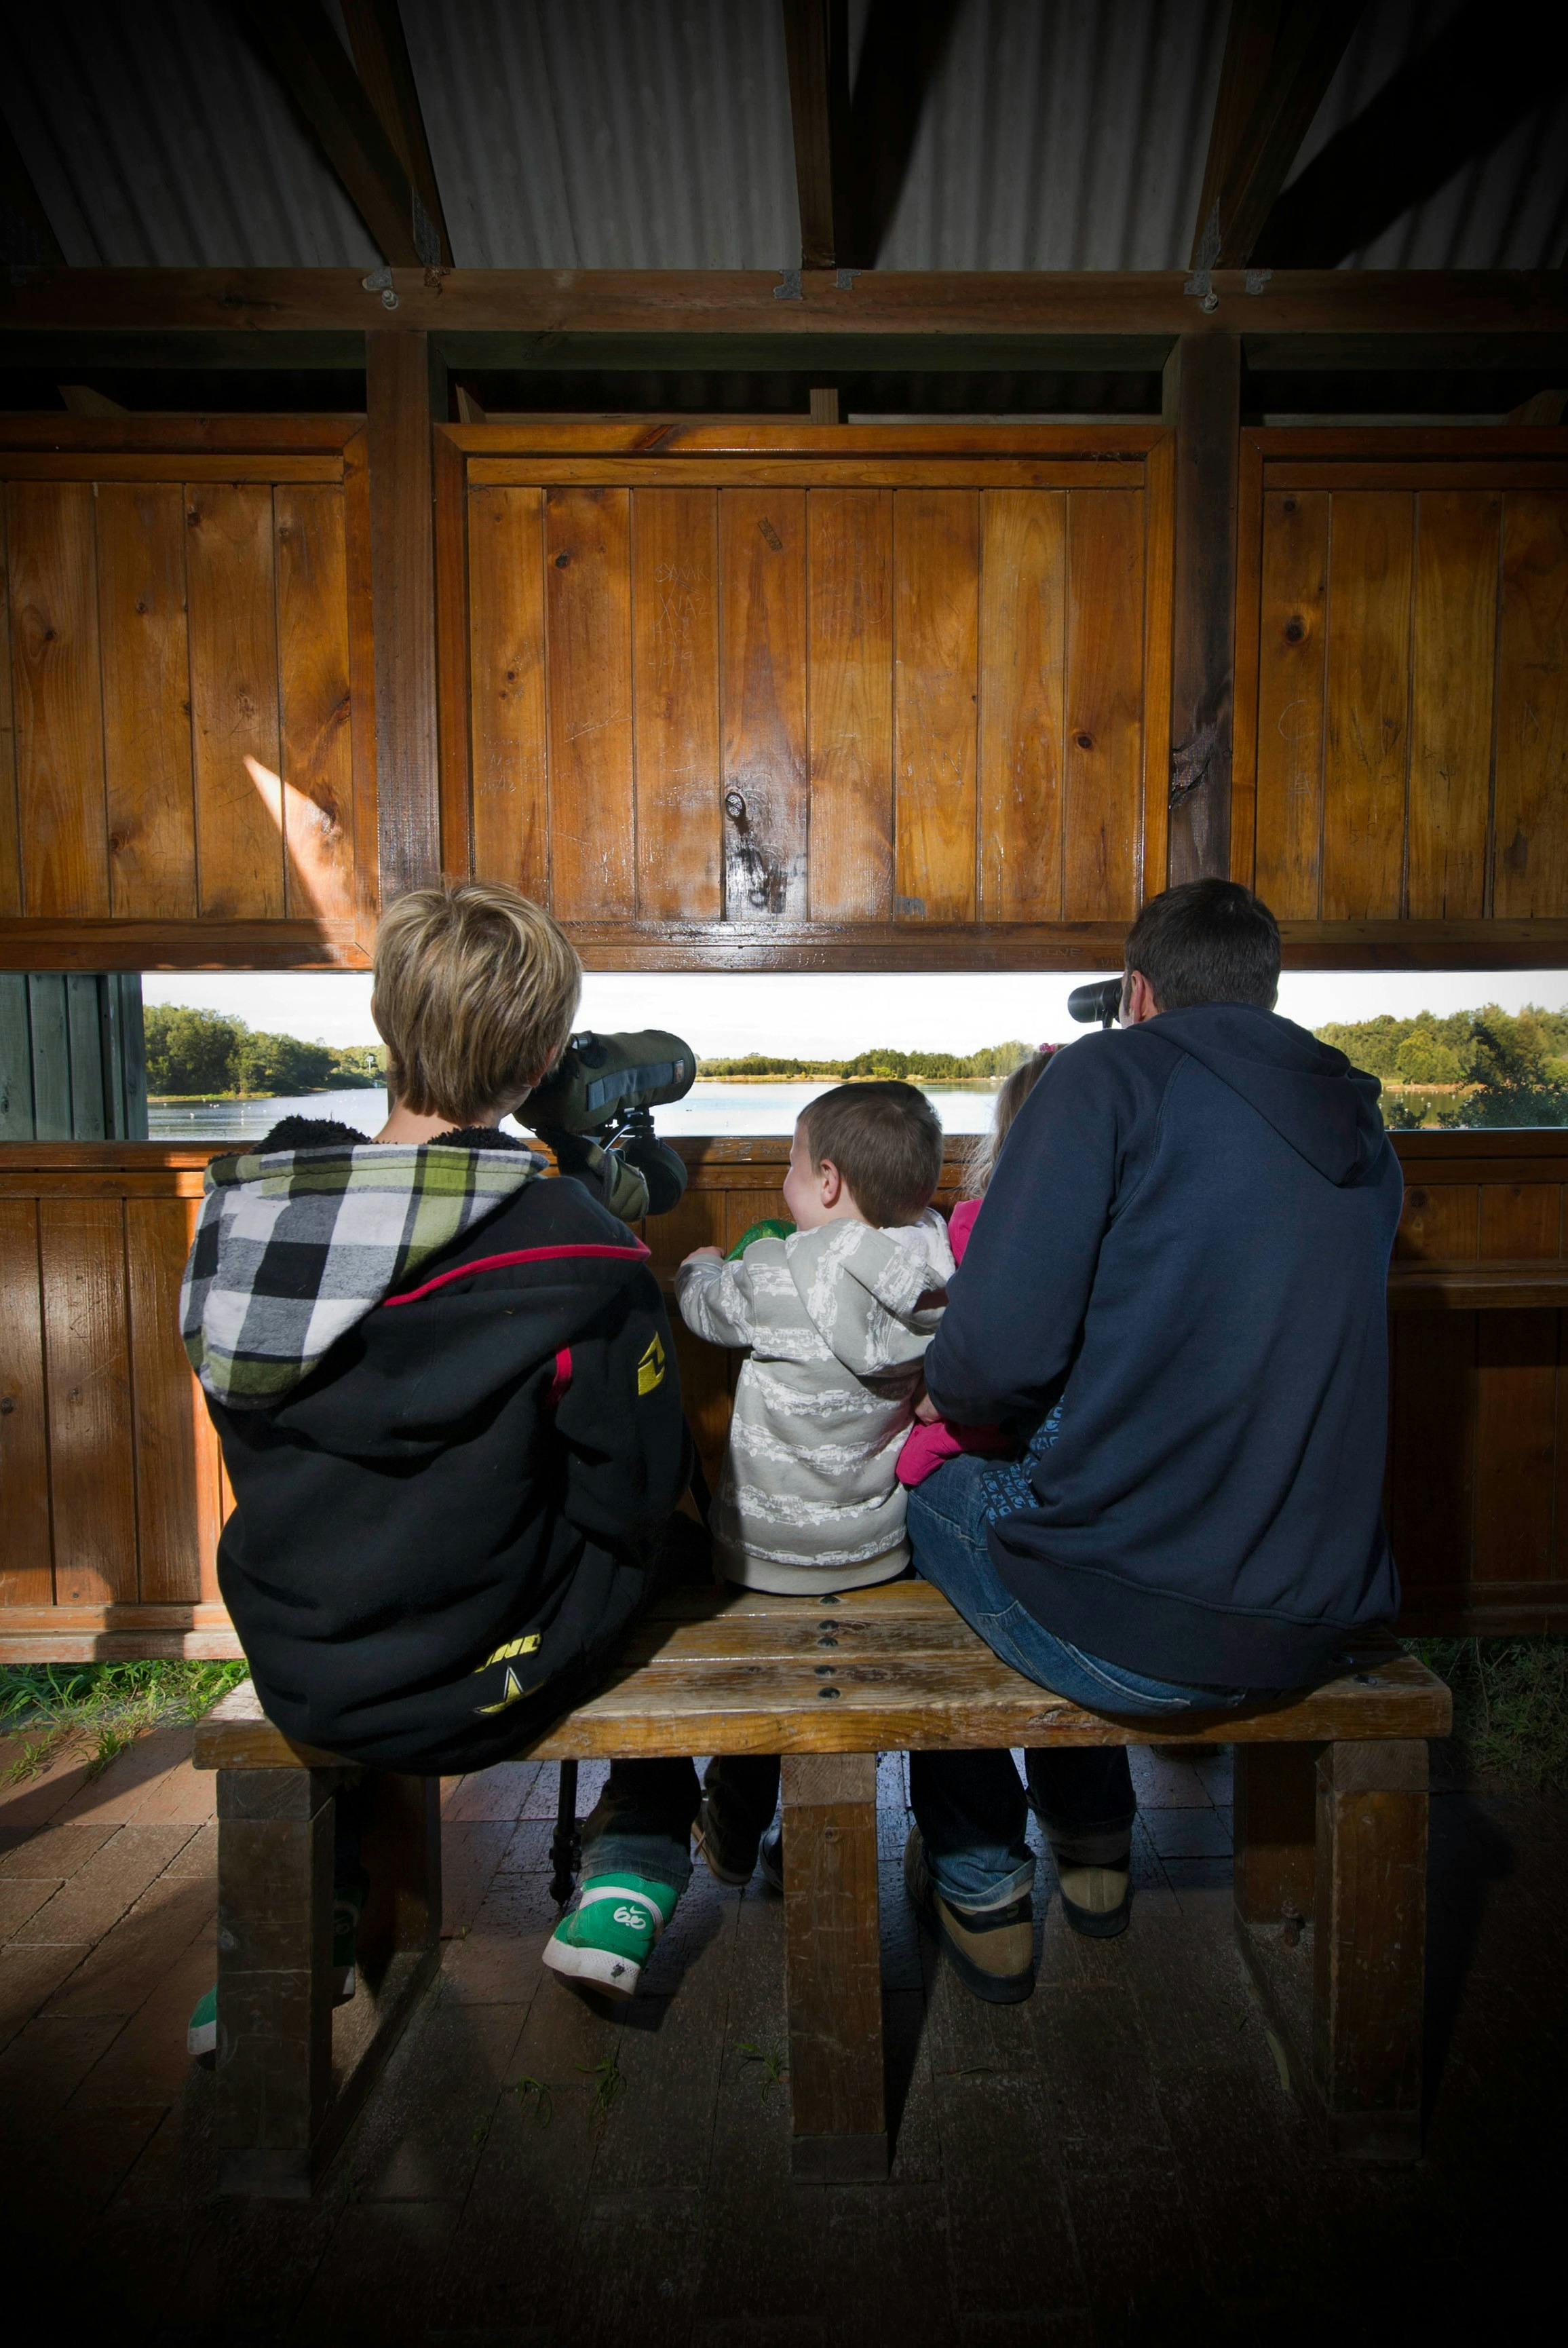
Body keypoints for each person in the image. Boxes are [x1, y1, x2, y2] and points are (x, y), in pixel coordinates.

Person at [180, 880, 701, 2038]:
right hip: (486, 1672)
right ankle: (641, 1844)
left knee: (361, 1534)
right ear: (551, 1054)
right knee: (682, 1541)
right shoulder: (576, 1245)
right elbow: (628, 1492)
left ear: (386, 1025)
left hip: (302, 1654)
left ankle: (311, 1921)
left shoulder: (251, 1215)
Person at [901, 879, 1404, 2006]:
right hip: (1323, 1614)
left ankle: (980, 1868)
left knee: (917, 1506)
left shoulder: (1104, 1077)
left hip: (1132, 1635)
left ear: (1137, 992)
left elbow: (993, 1365)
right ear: (1268, 992)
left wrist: (938, 1398)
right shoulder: (1361, 1121)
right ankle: (1094, 1841)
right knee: (1074, 1508)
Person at [675, 1081, 954, 1887]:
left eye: (792, 1165)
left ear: (827, 1181)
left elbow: (704, 1309)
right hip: (876, 1550)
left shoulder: (774, 1271)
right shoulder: (932, 1276)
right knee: (847, 1712)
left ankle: (730, 1832)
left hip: (764, 1556)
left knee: (757, 1705)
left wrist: (699, 1264)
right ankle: (818, 1838)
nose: (784, 1181)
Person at [896, 1046, 1056, 1492]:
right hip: (1061, 1415)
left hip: (984, 1417)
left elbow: (978, 1348)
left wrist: (942, 1402)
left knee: (906, 1469)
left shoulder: (975, 1224)